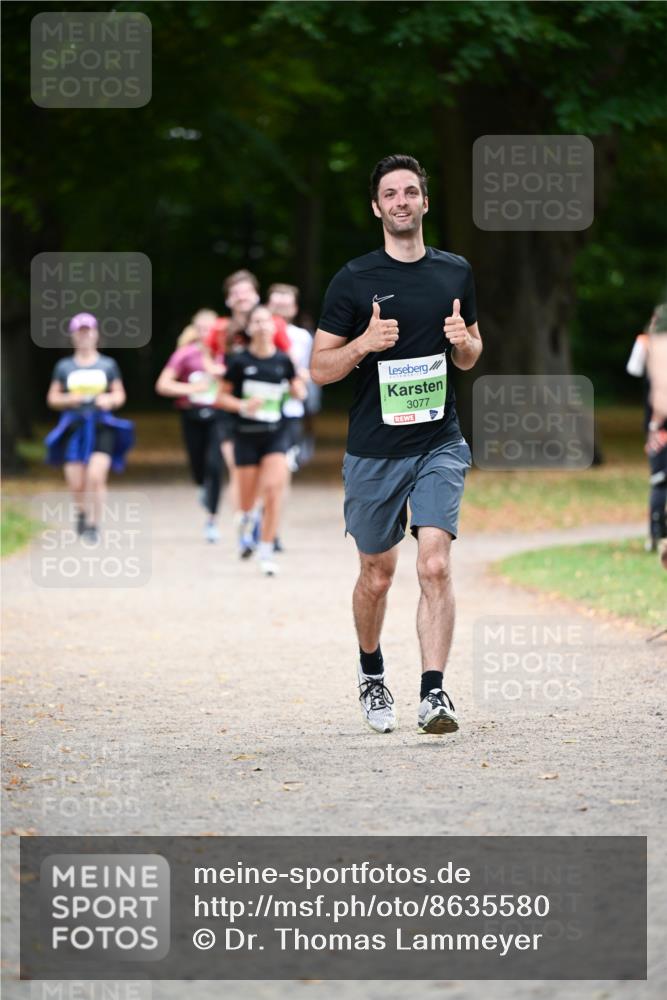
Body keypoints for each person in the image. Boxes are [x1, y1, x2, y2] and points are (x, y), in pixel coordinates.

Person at [310, 154, 482, 735]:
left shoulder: (455, 272)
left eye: (412, 191)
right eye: (391, 193)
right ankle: (371, 670)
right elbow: (319, 369)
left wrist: (463, 344)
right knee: (377, 575)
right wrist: (362, 345)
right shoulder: (353, 280)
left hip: (439, 441)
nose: (402, 201)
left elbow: (471, 350)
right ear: (378, 207)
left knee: (433, 564)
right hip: (374, 451)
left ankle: (434, 693)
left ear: (425, 203)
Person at [217, 304, 306, 576]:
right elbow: (221, 397)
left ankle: (266, 551)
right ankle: (246, 519)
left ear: (274, 327)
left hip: (276, 434)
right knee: (246, 501)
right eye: (256, 321)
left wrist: (298, 389)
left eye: (267, 321)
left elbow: (297, 389)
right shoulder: (239, 361)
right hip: (245, 435)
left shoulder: (283, 360)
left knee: (273, 491)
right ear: (250, 328)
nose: (262, 326)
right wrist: (244, 406)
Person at [45, 312, 134, 542]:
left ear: (96, 334)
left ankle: (94, 524)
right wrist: (68, 400)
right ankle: (82, 512)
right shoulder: (64, 366)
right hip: (74, 426)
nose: (84, 336)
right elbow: (52, 398)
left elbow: (119, 393)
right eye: (80, 332)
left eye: (88, 331)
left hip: (101, 425)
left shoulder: (108, 364)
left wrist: (110, 400)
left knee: (96, 476)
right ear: (73, 336)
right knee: (76, 481)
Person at [155, 309, 225, 543]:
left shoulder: (224, 355)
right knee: (198, 465)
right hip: (191, 415)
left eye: (211, 329)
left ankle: (212, 519)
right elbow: (163, 385)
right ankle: (201, 486)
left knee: (215, 465)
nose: (206, 334)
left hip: (218, 416)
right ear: (195, 331)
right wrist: (191, 390)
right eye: (202, 329)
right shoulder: (185, 355)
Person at [626, 304, 667, 558]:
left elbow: (634, 369)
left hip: (658, 425)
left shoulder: (650, 344)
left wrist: (653, 425)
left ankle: (657, 535)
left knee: (660, 481)